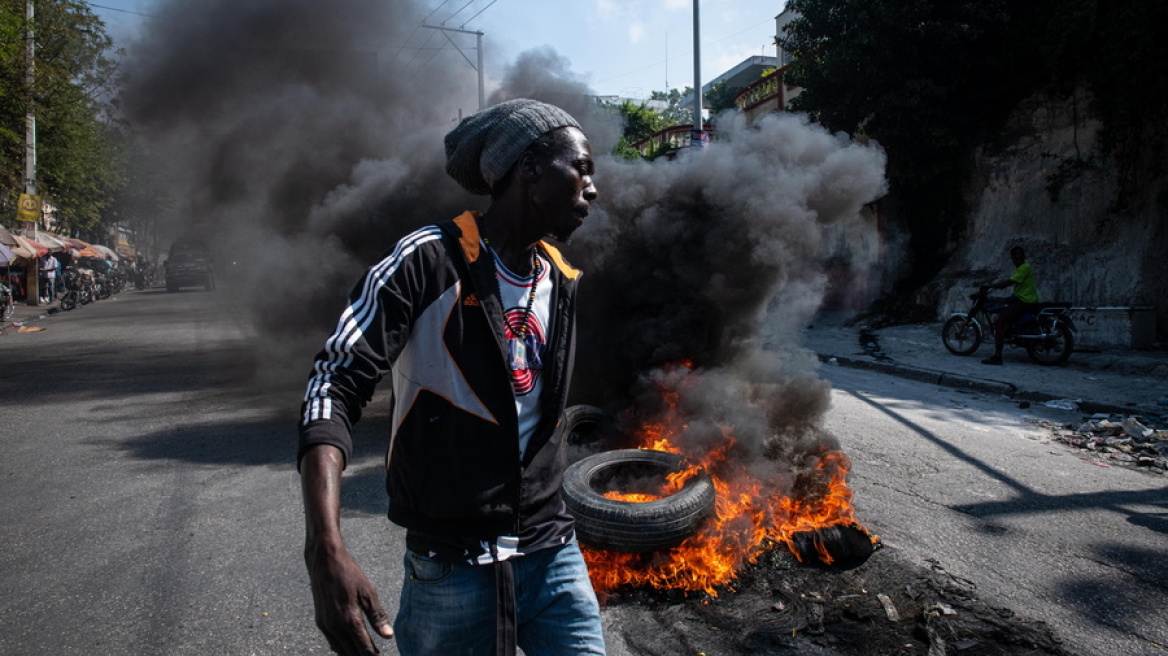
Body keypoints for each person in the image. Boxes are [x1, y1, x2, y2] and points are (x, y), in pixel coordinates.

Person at [297, 98, 605, 656]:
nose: (592, 186)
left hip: (552, 554)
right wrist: (325, 545)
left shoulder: (561, 279)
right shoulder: (427, 260)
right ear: (529, 169)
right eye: (581, 167)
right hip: (452, 569)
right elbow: (335, 382)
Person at [981, 246, 1039, 365]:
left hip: (1025, 302)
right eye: (1015, 258)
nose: (1017, 259)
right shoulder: (1021, 268)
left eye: (1019, 257)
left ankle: (997, 356)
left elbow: (1009, 282)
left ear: (1023, 257)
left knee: (999, 323)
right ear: (1012, 259)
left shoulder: (1024, 268)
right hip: (1023, 300)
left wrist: (992, 286)